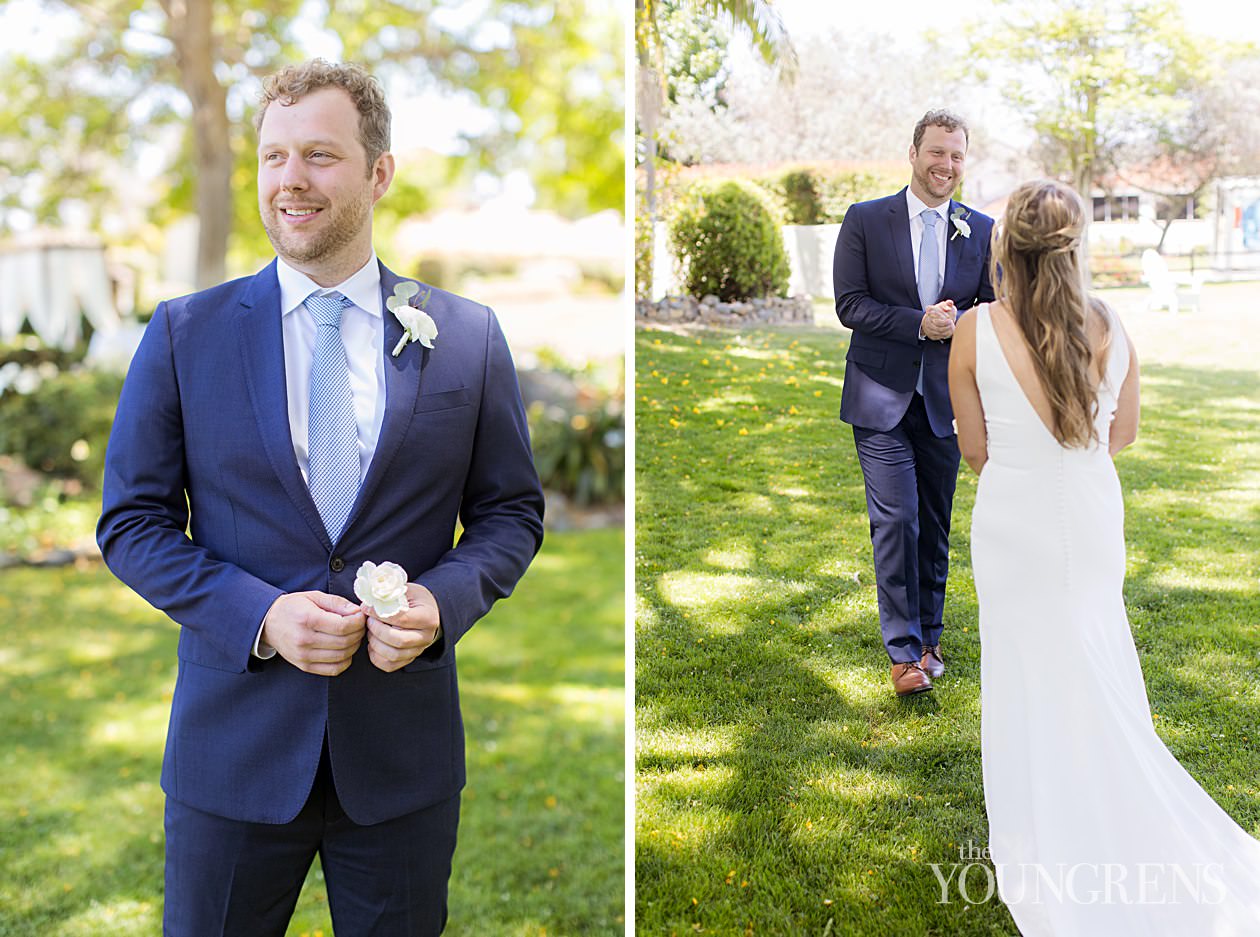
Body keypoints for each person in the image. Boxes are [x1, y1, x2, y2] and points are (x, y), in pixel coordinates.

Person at [97, 59, 545, 935]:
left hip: (401, 762)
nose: (290, 181)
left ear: (379, 172)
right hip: (233, 754)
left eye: (318, 155)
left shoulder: (465, 336)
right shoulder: (185, 333)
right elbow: (132, 523)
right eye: (272, 157)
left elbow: (509, 512)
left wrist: (441, 601)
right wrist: (259, 615)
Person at [950, 178, 1260, 935]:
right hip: (1089, 516)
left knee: (1026, 664)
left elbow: (974, 449)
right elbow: (1122, 436)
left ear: (1005, 249)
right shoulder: (1112, 326)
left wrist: (1026, 471)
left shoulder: (973, 331)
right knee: (1091, 650)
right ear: (1075, 245)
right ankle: (1110, 787)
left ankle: (1047, 814)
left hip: (1014, 518)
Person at [832, 108, 995, 696]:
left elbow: (993, 309)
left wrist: (962, 324)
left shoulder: (981, 228)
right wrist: (917, 323)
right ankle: (903, 655)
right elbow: (849, 305)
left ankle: (930, 638)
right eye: (937, 152)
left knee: (934, 522)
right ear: (913, 152)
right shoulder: (865, 220)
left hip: (947, 398)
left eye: (956, 155)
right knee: (896, 520)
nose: (946, 165)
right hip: (880, 396)